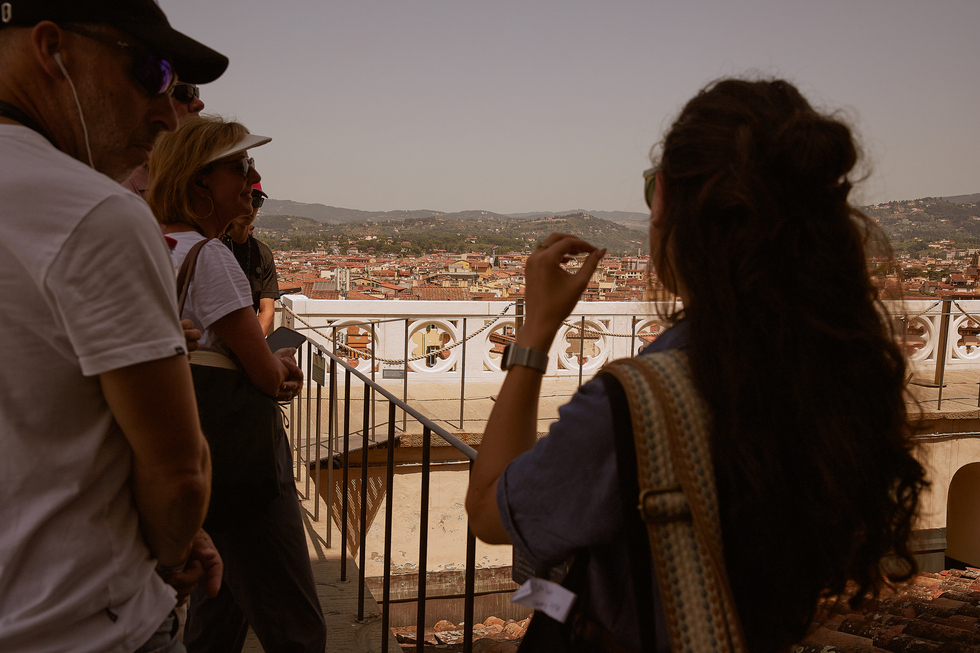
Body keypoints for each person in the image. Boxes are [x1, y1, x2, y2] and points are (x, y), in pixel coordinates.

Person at [465, 78, 927, 652]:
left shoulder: (639, 403)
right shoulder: (841, 369)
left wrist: (535, 333)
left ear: (665, 199)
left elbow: (486, 513)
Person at [0, 1, 228, 652]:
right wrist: (170, 547)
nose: (166, 113)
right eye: (150, 72)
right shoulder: (96, 214)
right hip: (88, 623)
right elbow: (179, 472)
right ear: (52, 49)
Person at [148, 114, 327, 653]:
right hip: (243, 464)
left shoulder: (153, 245)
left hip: (191, 451)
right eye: (238, 167)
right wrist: (284, 367)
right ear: (199, 181)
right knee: (296, 627)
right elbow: (265, 375)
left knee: (217, 611)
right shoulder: (211, 257)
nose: (251, 180)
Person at [124, 81, 204, 198]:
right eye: (185, 92)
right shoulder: (122, 188)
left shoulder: (206, 178)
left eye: (196, 93)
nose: (199, 104)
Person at [223, 184, 280, 335]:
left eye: (255, 201)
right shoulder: (213, 247)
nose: (249, 206)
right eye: (243, 197)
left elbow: (267, 311)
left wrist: (253, 345)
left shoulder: (263, 254)